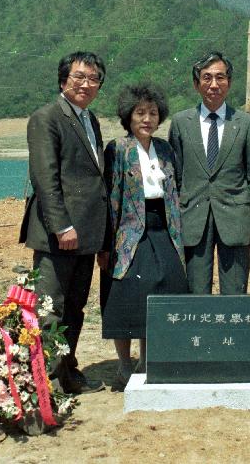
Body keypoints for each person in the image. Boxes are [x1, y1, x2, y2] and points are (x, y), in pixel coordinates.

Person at [19, 51, 109, 394]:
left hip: (85, 234)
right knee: (49, 308)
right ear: (63, 81)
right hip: (59, 234)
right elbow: (45, 178)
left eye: (94, 79)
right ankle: (48, 384)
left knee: (75, 307)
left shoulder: (90, 120)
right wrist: (62, 226)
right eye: (79, 77)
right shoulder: (47, 118)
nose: (87, 84)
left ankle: (68, 371)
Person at [102, 85, 188, 386]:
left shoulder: (164, 148)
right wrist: (107, 244)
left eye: (152, 113)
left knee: (163, 290)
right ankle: (124, 364)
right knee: (127, 294)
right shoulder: (118, 148)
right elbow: (112, 198)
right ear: (129, 116)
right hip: (128, 233)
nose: (147, 119)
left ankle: (147, 359)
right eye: (140, 113)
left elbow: (174, 192)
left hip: (163, 228)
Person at [168, 51, 250, 295]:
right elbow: (175, 176)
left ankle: (231, 335)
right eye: (207, 78)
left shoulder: (245, 123)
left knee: (235, 291)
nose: (214, 84)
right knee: (195, 291)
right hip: (193, 219)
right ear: (196, 84)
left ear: (229, 83)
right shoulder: (181, 122)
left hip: (235, 219)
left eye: (220, 78)